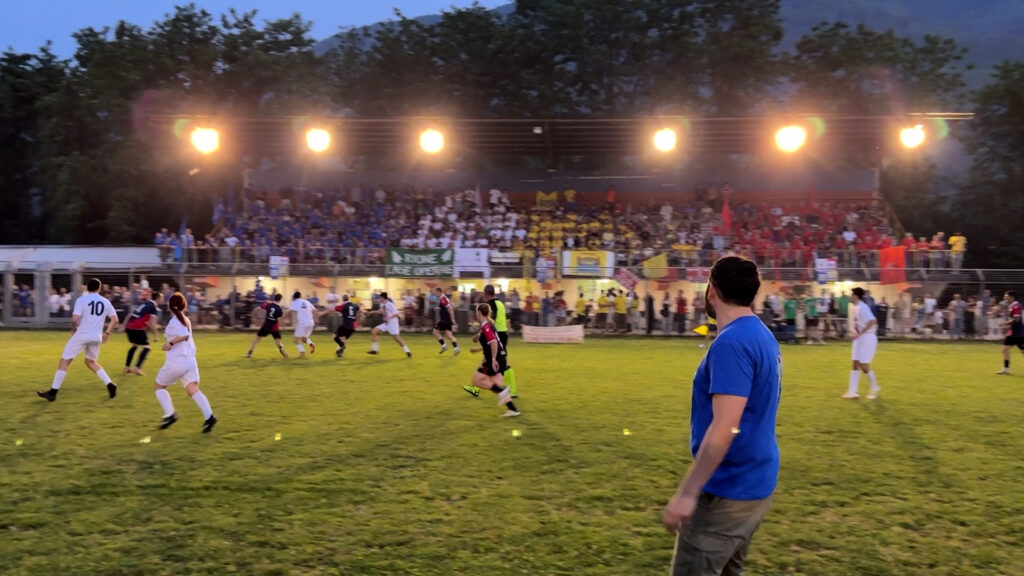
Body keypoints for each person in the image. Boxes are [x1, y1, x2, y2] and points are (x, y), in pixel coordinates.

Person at [663, 256, 781, 576]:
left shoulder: (732, 343)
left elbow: (725, 427)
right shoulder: (760, 333)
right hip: (755, 481)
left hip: (728, 488)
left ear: (711, 290)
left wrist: (688, 493)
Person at [37, 278, 120, 402]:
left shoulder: (82, 300)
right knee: (90, 362)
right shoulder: (105, 301)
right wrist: (107, 333)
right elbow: (115, 320)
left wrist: (74, 329)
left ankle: (53, 392)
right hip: (96, 337)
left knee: (65, 360)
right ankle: (110, 384)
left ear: (87, 287)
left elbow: (74, 319)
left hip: (82, 334)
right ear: (99, 288)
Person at [153, 292, 217, 433]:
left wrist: (170, 343)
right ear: (184, 306)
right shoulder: (185, 319)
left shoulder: (175, 321)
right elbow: (182, 333)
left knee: (159, 386)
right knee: (192, 389)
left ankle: (170, 415)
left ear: (170, 306)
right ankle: (210, 417)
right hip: (190, 361)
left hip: (177, 362)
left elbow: (184, 335)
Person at [461, 304, 521, 418]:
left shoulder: (486, 326)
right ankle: (513, 409)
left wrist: (493, 359)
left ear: (479, 313)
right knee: (495, 386)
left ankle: (503, 390)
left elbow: (493, 342)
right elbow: (489, 339)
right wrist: (478, 336)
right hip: (501, 358)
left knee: (476, 380)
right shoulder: (488, 324)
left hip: (494, 360)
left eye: (476, 312)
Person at [842, 287, 881, 400]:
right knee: (855, 363)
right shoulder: (855, 307)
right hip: (859, 338)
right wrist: (854, 333)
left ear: (855, 296)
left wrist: (860, 333)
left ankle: (875, 387)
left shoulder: (862, 307)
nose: (850, 297)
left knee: (863, 365)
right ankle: (852, 391)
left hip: (867, 337)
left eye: (851, 295)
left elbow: (872, 321)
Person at [122, 288, 161, 376]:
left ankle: (127, 367)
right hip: (137, 328)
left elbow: (136, 316)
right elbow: (152, 322)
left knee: (135, 345)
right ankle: (137, 368)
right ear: (158, 298)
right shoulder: (153, 306)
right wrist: (156, 334)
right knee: (147, 347)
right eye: (161, 298)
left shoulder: (145, 303)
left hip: (129, 326)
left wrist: (123, 325)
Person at [368, 292, 412, 357]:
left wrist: (388, 317)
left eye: (380, 298)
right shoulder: (382, 304)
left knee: (397, 339)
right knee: (374, 331)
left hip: (393, 324)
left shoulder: (390, 304)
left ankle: (407, 351)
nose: (379, 299)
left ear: (383, 298)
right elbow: (382, 311)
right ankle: (374, 350)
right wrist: (372, 312)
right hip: (386, 323)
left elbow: (396, 314)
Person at [245, 293, 287, 358]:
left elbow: (257, 308)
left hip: (266, 325)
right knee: (278, 341)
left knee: (257, 338)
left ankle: (249, 353)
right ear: (280, 300)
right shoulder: (279, 309)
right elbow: (280, 319)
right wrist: (283, 325)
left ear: (274, 298)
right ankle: (282, 350)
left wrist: (254, 317)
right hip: (274, 327)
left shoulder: (268, 304)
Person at [996, 290, 1024, 374]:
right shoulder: (1012, 305)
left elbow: (1017, 319)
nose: (1004, 297)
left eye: (1006, 296)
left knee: (1021, 350)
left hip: (1018, 332)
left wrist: (1005, 324)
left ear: (1011, 297)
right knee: (1005, 349)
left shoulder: (1016, 306)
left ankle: (1006, 369)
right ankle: (1006, 369)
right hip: (1013, 331)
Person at [288, 291, 319, 358]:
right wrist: (316, 319)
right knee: (303, 338)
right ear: (300, 296)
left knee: (296, 340)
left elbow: (289, 312)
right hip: (311, 322)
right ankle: (311, 344)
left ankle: (302, 354)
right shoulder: (306, 302)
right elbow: (315, 310)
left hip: (303, 323)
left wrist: (282, 319)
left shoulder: (295, 302)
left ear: (294, 297)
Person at [432, 287, 460, 355]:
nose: (435, 294)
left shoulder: (443, 299)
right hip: (447, 320)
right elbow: (445, 308)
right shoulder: (443, 299)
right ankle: (456, 348)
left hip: (445, 320)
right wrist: (439, 308)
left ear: (439, 292)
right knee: (449, 335)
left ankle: (444, 346)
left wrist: (453, 319)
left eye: (435, 292)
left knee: (435, 331)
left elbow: (450, 309)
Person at [333, 294, 360, 358]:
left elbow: (335, 308)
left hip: (346, 325)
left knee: (335, 336)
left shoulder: (343, 305)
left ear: (343, 299)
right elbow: (358, 308)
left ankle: (342, 346)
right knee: (343, 338)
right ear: (349, 298)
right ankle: (340, 353)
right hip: (353, 326)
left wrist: (337, 302)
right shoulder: (354, 305)